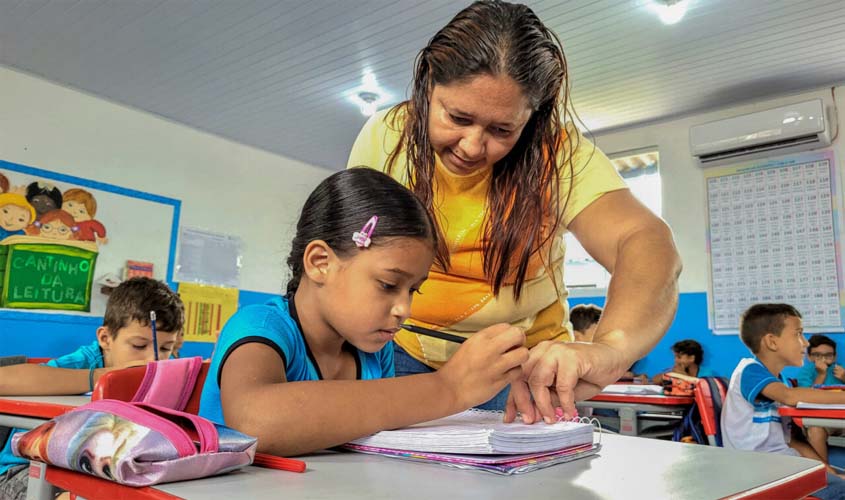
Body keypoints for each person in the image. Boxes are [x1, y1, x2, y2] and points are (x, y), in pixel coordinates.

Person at [347, 0, 681, 421]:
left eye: (501, 130)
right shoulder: (386, 135)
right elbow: (350, 256)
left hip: (522, 371)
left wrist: (611, 347)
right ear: (428, 85)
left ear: (532, 119)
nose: (471, 146)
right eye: (457, 117)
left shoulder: (557, 155)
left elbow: (646, 242)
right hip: (398, 352)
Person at [198, 168, 528, 457]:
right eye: (387, 285)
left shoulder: (374, 353)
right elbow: (257, 421)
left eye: (413, 290)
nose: (404, 309)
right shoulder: (260, 326)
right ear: (320, 263)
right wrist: (449, 388)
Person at [0, 277, 184, 500]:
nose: (152, 359)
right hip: (25, 470)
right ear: (105, 338)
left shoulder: (165, 376)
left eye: (166, 348)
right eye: (138, 346)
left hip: (99, 472)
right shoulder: (86, 361)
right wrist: (99, 377)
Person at [722, 303, 845, 499]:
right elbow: (790, 396)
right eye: (798, 334)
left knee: (839, 479)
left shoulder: (781, 381)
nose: (805, 343)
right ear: (772, 342)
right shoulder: (749, 370)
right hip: (757, 469)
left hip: (782, 463)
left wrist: (827, 471)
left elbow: (795, 440)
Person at [797, 334, 845, 466]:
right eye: (817, 355)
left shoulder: (840, 369)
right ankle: (823, 471)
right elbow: (807, 398)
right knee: (815, 429)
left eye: (828, 355)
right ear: (809, 356)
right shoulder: (806, 372)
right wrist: (821, 374)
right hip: (819, 420)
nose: (823, 359)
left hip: (841, 418)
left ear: (834, 356)